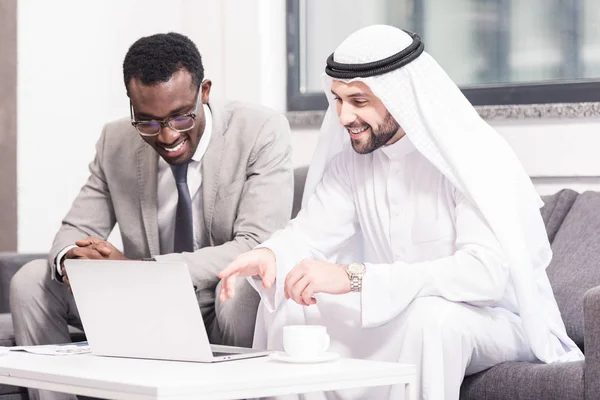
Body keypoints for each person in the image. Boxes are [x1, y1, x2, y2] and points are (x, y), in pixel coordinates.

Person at [218, 25, 583, 400]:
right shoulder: (351, 164)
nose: (343, 116)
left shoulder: (469, 159)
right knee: (290, 307)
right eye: (338, 100)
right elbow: (309, 235)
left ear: (402, 96)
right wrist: (269, 254)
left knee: (432, 320)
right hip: (401, 307)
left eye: (359, 101)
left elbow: (483, 276)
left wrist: (355, 278)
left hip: (494, 320)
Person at [10, 32, 293, 400]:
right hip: (140, 309)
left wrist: (140, 270)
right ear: (131, 106)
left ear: (203, 92)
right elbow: (73, 232)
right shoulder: (115, 141)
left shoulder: (261, 131)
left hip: (216, 304)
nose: (167, 136)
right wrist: (74, 259)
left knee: (241, 286)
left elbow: (255, 245)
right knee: (32, 280)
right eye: (148, 123)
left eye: (180, 117)